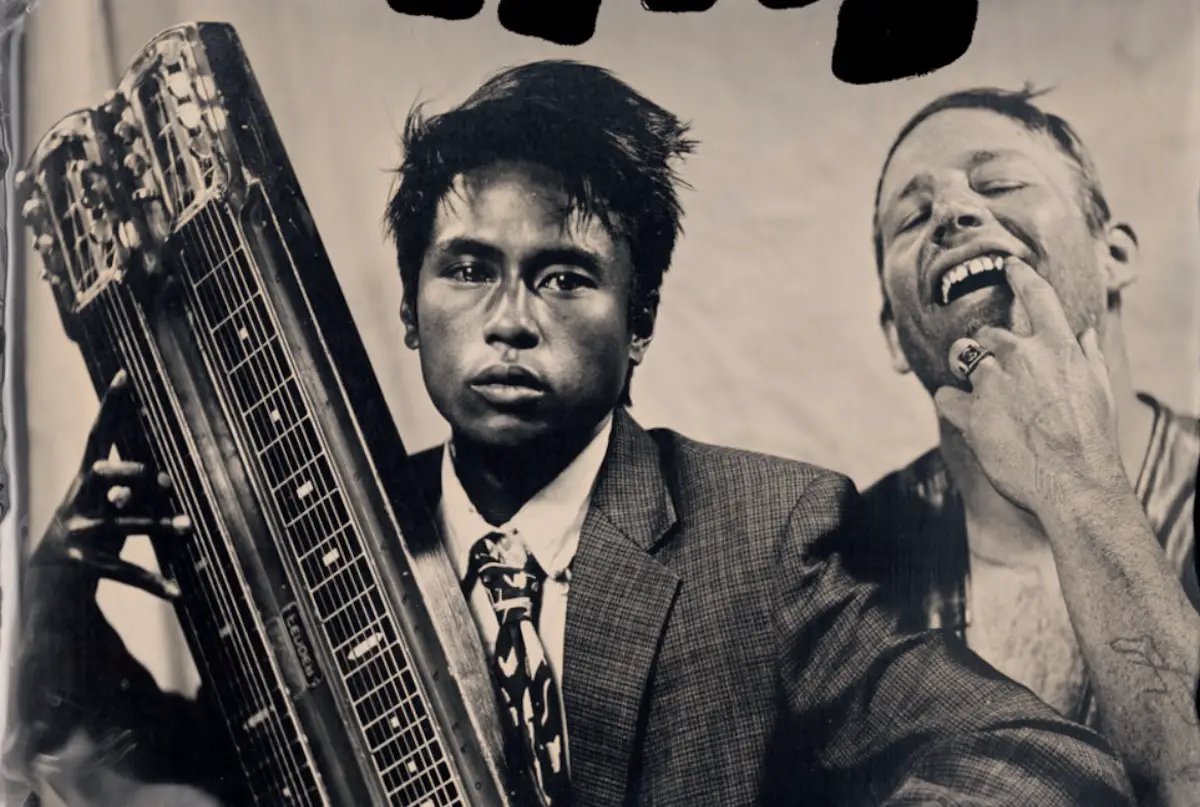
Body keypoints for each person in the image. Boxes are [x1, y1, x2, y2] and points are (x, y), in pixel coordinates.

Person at [8, 63, 1134, 805]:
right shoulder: (334, 537)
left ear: (637, 326)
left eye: (564, 277)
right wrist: (54, 610)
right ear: (408, 311)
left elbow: (1043, 763)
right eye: (468, 270)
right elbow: (215, 772)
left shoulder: (762, 532)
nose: (510, 320)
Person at [859, 86, 1200, 805]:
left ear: (1114, 255)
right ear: (893, 333)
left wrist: (1073, 479)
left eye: (999, 184)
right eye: (912, 218)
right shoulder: (848, 560)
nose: (952, 212)